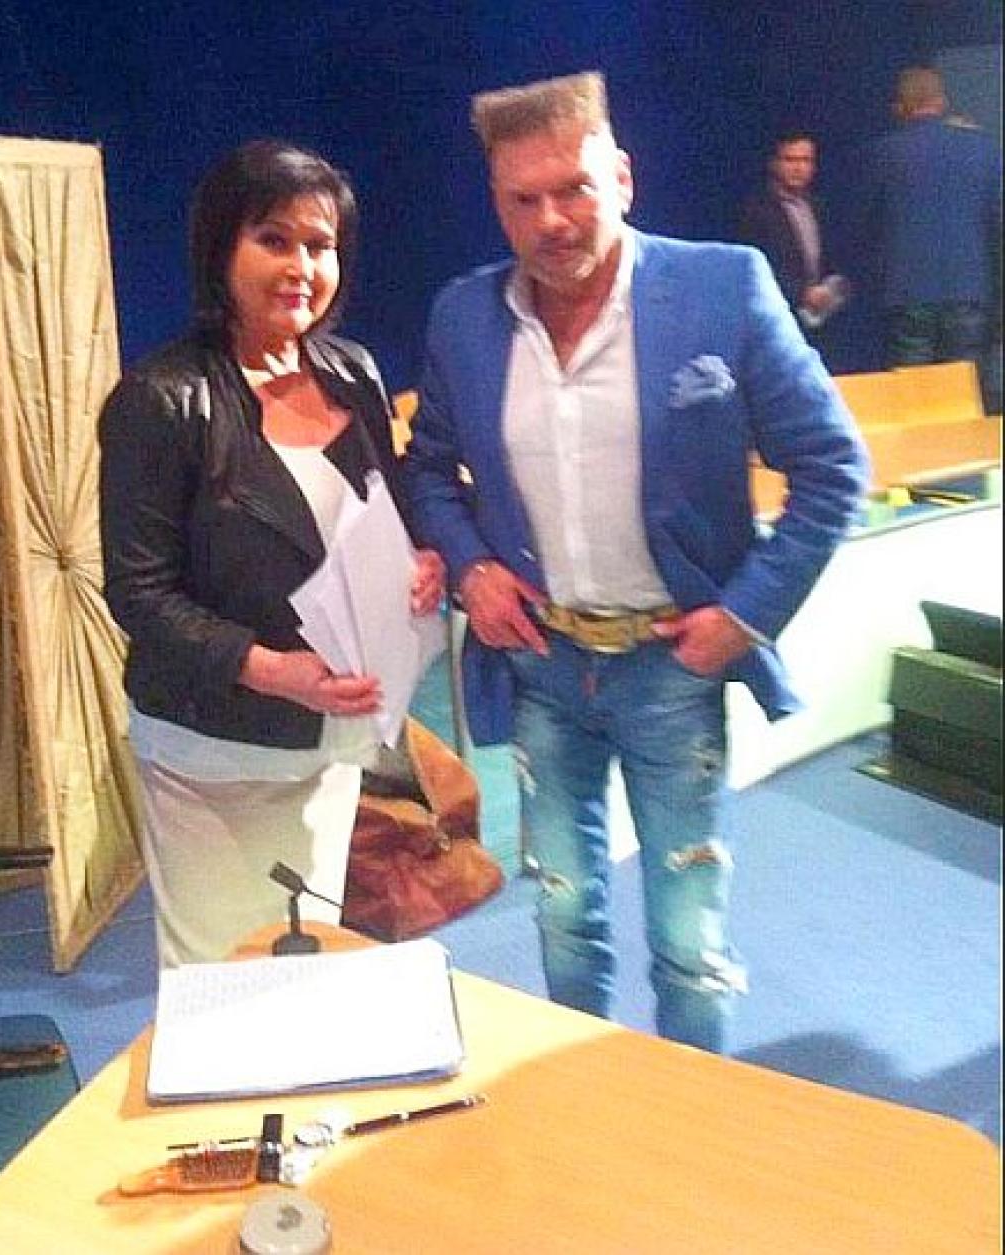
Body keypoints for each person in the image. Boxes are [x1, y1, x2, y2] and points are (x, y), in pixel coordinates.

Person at [405, 72, 868, 1054]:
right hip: (541, 665)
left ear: (620, 175)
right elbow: (429, 470)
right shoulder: (463, 316)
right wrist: (472, 567)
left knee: (688, 937)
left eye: (573, 188)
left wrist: (745, 614)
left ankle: (691, 1107)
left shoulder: (722, 287)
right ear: (497, 203)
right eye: (523, 199)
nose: (551, 220)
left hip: (671, 667)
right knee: (562, 913)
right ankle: (586, 1099)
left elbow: (834, 467)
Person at [99, 140, 444, 966]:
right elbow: (139, 593)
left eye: (320, 245)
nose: (301, 267)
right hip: (217, 753)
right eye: (273, 240)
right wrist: (269, 669)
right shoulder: (161, 399)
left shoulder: (353, 372)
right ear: (221, 249)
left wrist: (422, 562)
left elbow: (387, 513)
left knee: (309, 951)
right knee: (222, 974)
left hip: (334, 738)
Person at [866, 67, 1001, 381]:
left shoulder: (883, 154)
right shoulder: (985, 150)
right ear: (942, 102)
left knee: (915, 393)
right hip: (969, 289)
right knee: (964, 390)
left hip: (906, 292)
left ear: (900, 106)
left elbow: (867, 229)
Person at [738, 128, 850, 345]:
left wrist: (830, 289)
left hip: (821, 320)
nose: (799, 168)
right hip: (775, 321)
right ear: (774, 164)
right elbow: (754, 266)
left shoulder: (819, 207)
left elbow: (831, 258)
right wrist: (801, 294)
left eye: (806, 160)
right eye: (790, 160)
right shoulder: (755, 211)